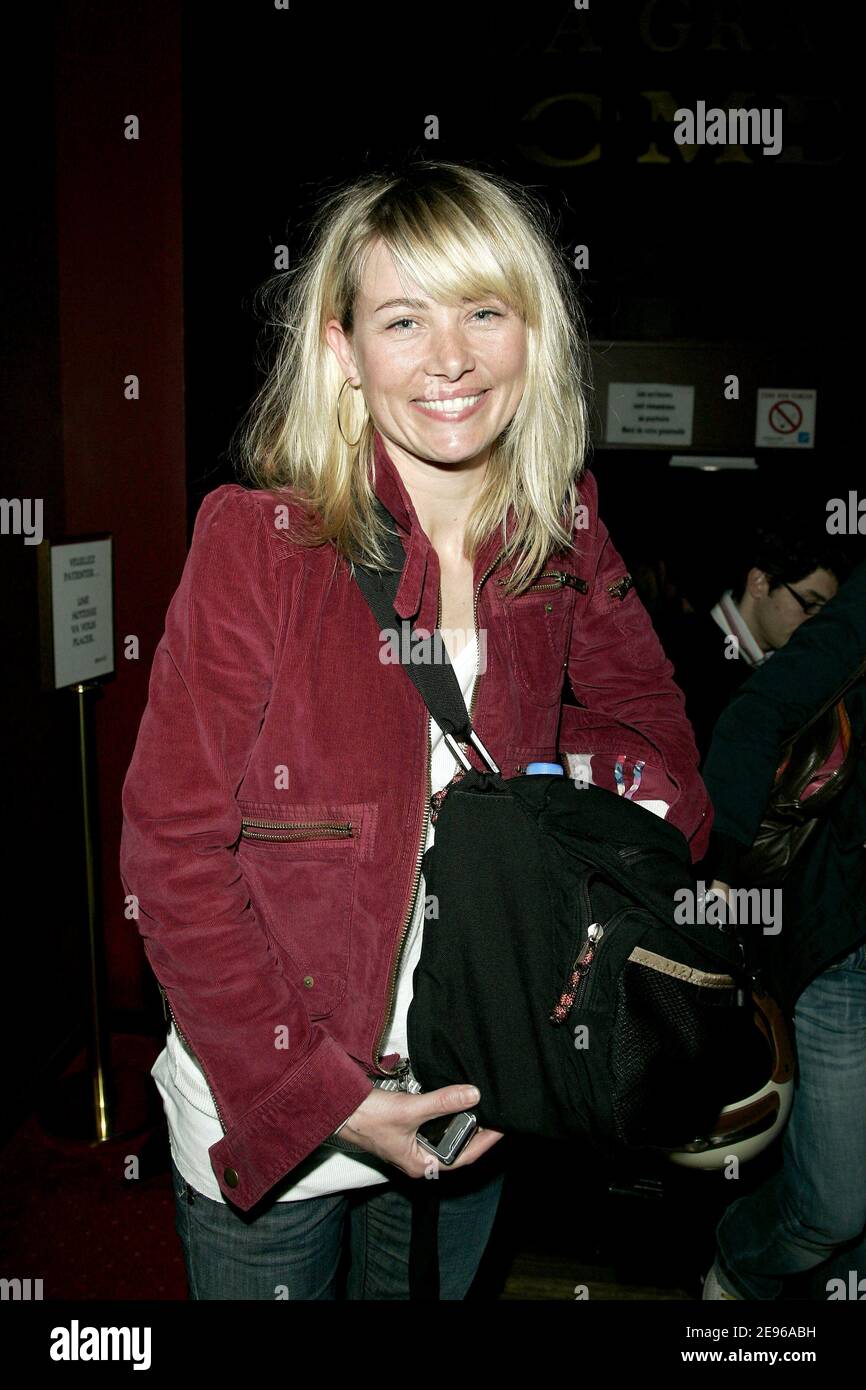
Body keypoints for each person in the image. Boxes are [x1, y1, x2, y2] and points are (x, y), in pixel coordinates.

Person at [119, 159, 711, 1300]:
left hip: (478, 1083)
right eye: (403, 318)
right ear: (341, 349)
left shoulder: (562, 529)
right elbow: (171, 856)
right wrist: (324, 1099)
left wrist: (538, 782)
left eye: (483, 311)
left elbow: (668, 777)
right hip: (282, 1102)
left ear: (530, 333)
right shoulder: (261, 543)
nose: (449, 359)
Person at [698, 560, 866, 1300]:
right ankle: (736, 1270)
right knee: (830, 1208)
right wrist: (718, 880)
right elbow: (757, 712)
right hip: (847, 952)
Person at [666, 524, 843, 762]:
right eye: (809, 603)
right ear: (759, 582)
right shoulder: (674, 649)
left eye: (823, 613)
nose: (814, 624)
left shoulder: (780, 671)